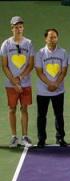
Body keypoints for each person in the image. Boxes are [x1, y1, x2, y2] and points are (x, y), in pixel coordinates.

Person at [1, 16, 34, 148]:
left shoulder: (29, 43)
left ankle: (25, 136)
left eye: (20, 27)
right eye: (16, 27)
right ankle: (14, 137)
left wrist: (20, 78)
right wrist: (14, 82)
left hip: (25, 83)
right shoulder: (6, 44)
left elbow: (30, 64)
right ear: (12, 28)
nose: (18, 29)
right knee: (12, 109)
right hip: (11, 84)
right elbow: (4, 65)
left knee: (24, 108)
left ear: (23, 28)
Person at [34, 28, 67, 148]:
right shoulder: (40, 53)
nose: (52, 39)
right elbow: (39, 72)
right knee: (41, 116)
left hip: (58, 91)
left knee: (59, 115)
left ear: (57, 38)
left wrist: (56, 84)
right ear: (45, 39)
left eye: (54, 37)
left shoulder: (63, 52)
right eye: (50, 37)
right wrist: (49, 84)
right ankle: (41, 139)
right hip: (43, 91)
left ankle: (60, 138)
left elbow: (63, 72)